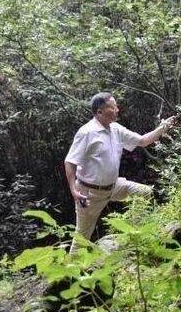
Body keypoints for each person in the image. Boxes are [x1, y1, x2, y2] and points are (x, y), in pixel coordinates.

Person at [64, 92, 174, 252]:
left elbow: (143, 141)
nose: (117, 109)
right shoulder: (86, 132)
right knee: (82, 237)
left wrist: (163, 127)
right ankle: (70, 274)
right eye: (113, 106)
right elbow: (70, 161)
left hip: (114, 186)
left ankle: (137, 238)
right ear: (100, 112)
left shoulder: (115, 129)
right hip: (90, 193)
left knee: (145, 193)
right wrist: (74, 190)